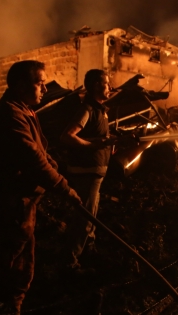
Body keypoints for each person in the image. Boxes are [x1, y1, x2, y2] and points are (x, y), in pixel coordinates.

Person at [0, 60, 82, 314]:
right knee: (12, 254)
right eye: (40, 83)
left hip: (25, 199)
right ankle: (6, 304)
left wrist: (53, 162)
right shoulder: (10, 114)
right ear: (19, 85)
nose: (45, 89)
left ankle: (15, 300)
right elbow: (31, 157)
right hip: (12, 200)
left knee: (25, 251)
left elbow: (39, 149)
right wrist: (64, 188)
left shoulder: (24, 109)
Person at [61, 68, 115, 270]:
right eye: (106, 83)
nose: (109, 87)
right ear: (95, 86)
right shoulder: (87, 110)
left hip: (95, 173)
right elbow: (67, 136)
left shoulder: (101, 110)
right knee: (85, 218)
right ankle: (70, 261)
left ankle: (88, 251)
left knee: (92, 217)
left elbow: (99, 137)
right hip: (86, 173)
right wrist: (93, 145)